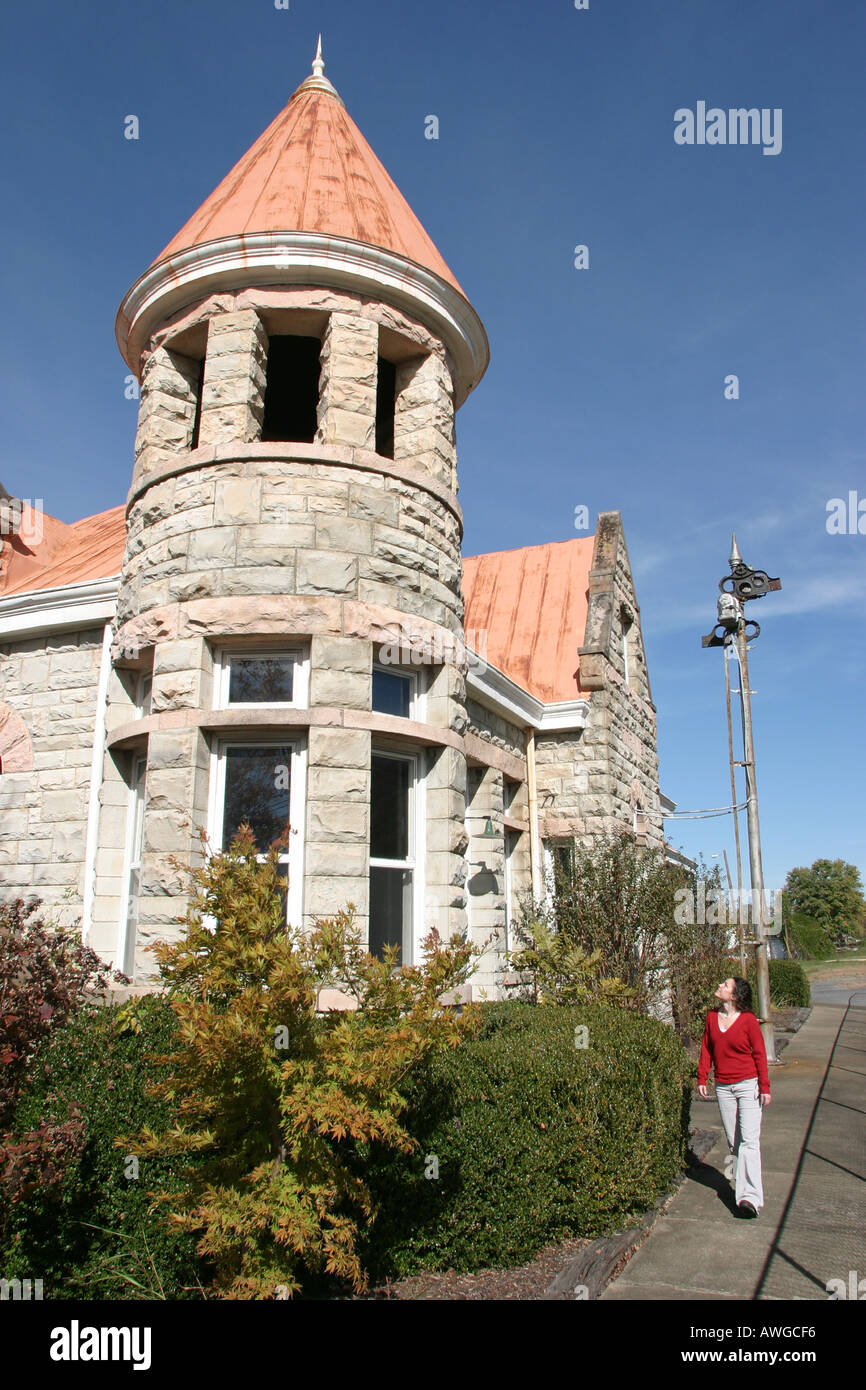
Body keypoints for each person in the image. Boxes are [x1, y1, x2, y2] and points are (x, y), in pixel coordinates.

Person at [697, 977, 771, 1218]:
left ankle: (749, 1198)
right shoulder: (711, 1017)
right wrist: (702, 1077)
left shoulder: (748, 1021)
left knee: (749, 1140)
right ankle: (742, 1190)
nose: (720, 986)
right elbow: (706, 1047)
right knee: (734, 1142)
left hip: (748, 1086)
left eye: (726, 985)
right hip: (724, 1088)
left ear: (735, 996)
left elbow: (759, 1053)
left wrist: (765, 1086)